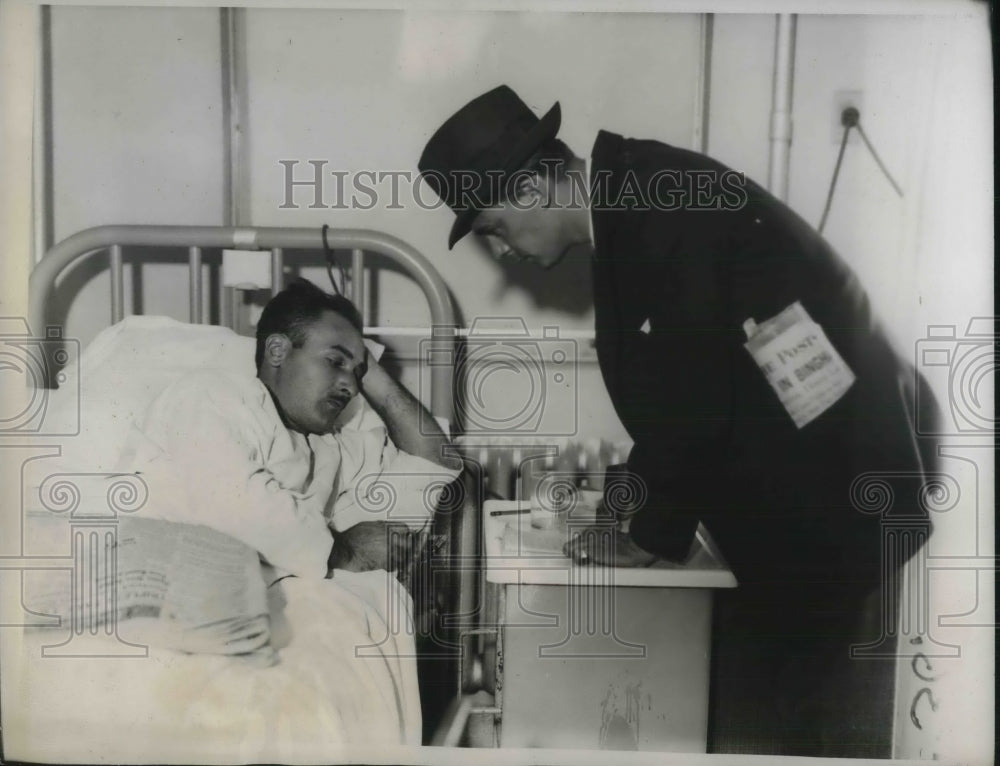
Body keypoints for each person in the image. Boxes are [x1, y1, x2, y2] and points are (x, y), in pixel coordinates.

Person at [417, 85, 939, 757]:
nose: (504, 251)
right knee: (763, 719)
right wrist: (630, 512)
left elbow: (692, 394)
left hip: (841, 509)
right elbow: (678, 390)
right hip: (808, 498)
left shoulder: (661, 207)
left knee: (811, 736)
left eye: (492, 229)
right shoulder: (634, 200)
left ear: (529, 186)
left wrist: (645, 531)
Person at [121, 278, 460, 581]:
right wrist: (344, 551)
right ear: (277, 350)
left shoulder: (328, 448)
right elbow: (229, 502)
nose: (351, 388)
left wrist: (367, 368)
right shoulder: (212, 395)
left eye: (357, 374)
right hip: (152, 578)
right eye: (334, 361)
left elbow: (434, 462)